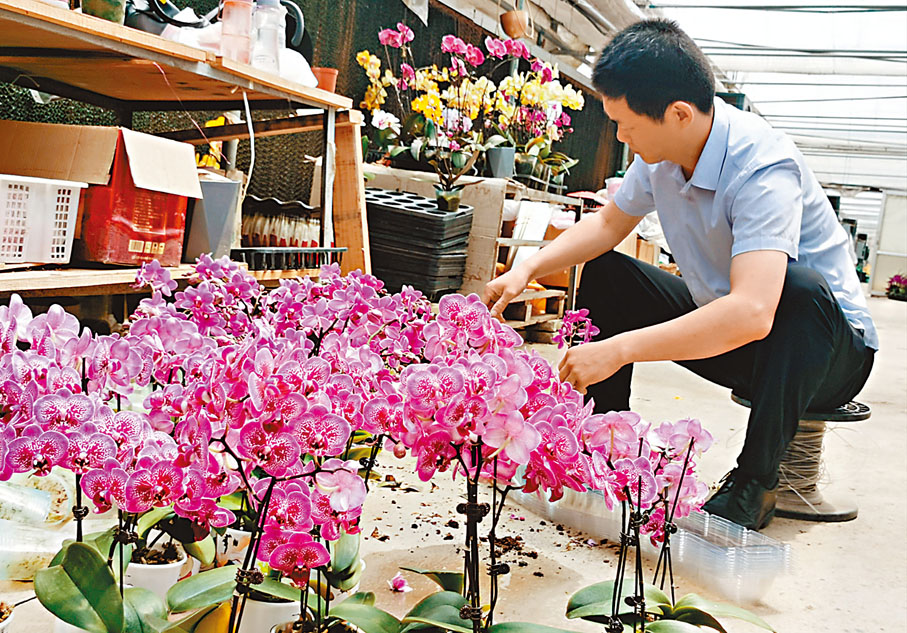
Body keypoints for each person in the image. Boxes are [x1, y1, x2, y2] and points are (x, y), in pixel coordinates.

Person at [483, 19, 877, 531]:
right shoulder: (661, 156)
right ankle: (601, 448)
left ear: (679, 114)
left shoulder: (762, 167)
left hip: (827, 354)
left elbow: (754, 311)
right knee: (607, 272)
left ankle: (754, 485)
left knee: (798, 289)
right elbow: (606, 225)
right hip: (741, 338)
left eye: (626, 125)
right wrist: (527, 268)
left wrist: (620, 349)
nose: (620, 137)